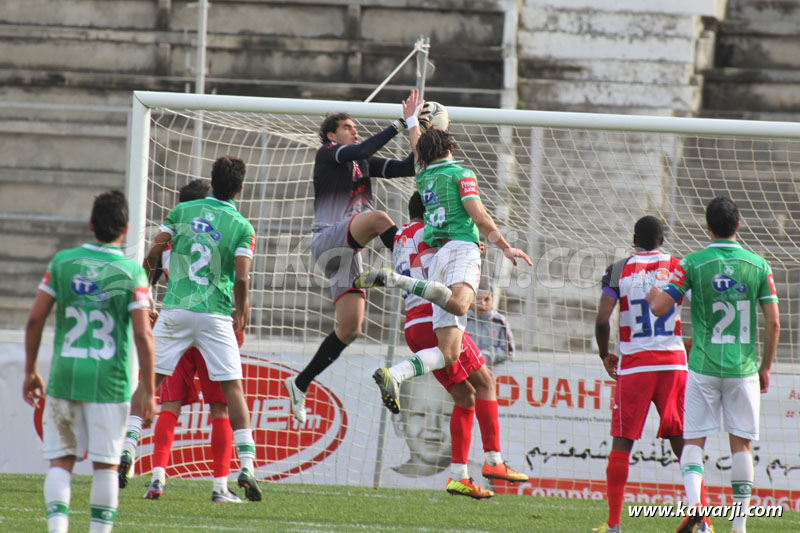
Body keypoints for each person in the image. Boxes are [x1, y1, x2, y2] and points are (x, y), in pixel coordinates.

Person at [358, 98, 532, 411]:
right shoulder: (462, 175)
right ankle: (399, 280)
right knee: (460, 304)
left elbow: (416, 151)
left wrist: (412, 121)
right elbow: (480, 217)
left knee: (449, 353)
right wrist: (505, 247)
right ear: (450, 144)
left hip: (439, 259)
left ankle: (396, 374)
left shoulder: (423, 177)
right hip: (462, 247)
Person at [119, 155, 263, 502]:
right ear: (240, 188)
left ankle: (127, 448)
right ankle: (246, 465)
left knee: (149, 383)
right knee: (232, 391)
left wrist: (146, 296)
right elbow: (241, 276)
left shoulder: (182, 212)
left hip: (176, 309)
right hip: (214, 315)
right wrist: (241, 309)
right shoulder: (242, 226)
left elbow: (154, 254)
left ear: (212, 182)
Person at [282, 89, 421, 425]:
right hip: (327, 241)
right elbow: (361, 148)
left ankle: (300, 382)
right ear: (332, 135)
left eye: (354, 127)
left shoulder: (361, 161)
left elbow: (410, 167)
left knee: (351, 327)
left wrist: (418, 127)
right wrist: (399, 123)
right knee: (379, 218)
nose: (354, 130)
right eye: (347, 126)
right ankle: (412, 267)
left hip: (347, 251)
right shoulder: (329, 153)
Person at [23, 190, 156, 533]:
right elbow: (143, 336)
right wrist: (149, 389)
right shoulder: (130, 272)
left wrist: (31, 370)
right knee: (107, 466)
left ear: (90, 225)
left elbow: (35, 320)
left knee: (61, 461)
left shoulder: (63, 263)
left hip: (65, 375)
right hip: (109, 383)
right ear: (125, 229)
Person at [379, 191, 528, 498]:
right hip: (439, 321)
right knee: (486, 382)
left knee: (465, 396)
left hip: (412, 325)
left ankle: (458, 476)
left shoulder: (399, 239)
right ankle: (493, 461)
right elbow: (453, 269)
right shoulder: (436, 236)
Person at [646, 197, 780, 533]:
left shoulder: (692, 263)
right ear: (738, 225)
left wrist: (651, 295)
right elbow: (774, 322)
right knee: (742, 445)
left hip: (704, 367)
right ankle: (739, 527)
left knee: (693, 442)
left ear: (708, 227)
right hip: (744, 369)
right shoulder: (759, 266)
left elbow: (660, 308)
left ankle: (696, 513)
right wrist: (765, 367)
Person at [593, 215, 704, 533]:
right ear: (663, 239)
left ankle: (614, 524)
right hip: (673, 365)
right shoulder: (679, 266)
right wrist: (690, 345)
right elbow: (703, 312)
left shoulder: (618, 270)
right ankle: (704, 521)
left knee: (622, 442)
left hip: (635, 366)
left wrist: (605, 354)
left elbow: (602, 320)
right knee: (684, 442)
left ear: (633, 238)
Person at [144, 179, 241, 503]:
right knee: (221, 406)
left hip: (175, 320)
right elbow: (236, 275)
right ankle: (220, 485)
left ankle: (157, 476)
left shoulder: (172, 239)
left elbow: (150, 271)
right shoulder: (222, 231)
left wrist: (149, 306)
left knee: (168, 402)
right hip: (212, 320)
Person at [390, 375, 453, 477]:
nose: (433, 427)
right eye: (420, 414)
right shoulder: (381, 480)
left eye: (446, 415)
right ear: (400, 424)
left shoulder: (477, 477)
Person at [465, 281, 515, 367]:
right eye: (478, 298)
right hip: (466, 368)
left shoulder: (500, 321)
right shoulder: (462, 319)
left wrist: (482, 358)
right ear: (471, 299)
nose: (482, 303)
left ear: (492, 301)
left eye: (486, 299)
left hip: (492, 370)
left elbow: (509, 352)